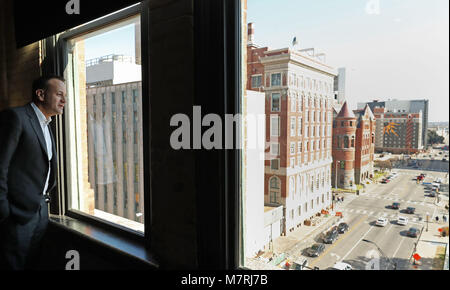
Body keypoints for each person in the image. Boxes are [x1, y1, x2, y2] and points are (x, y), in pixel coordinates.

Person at [0, 75, 66, 270]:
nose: (64, 100)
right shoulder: (16, 117)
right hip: (15, 215)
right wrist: (4, 211)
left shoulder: (47, 124)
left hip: (40, 212)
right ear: (40, 94)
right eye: (59, 94)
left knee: (31, 263)